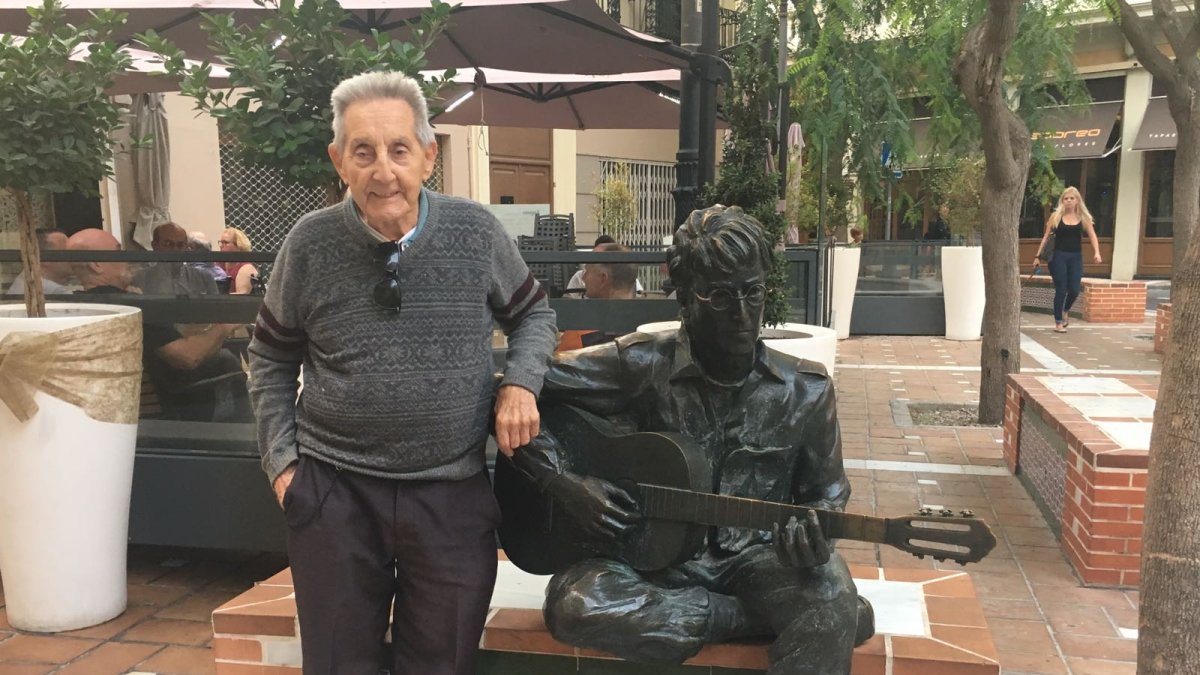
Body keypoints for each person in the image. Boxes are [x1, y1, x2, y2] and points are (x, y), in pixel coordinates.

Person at [247, 71, 557, 675]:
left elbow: (534, 315)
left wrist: (520, 382)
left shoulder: (475, 232)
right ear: (339, 161)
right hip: (335, 493)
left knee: (442, 663)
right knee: (338, 664)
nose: (383, 171)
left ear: (428, 156)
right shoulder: (308, 244)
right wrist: (283, 466)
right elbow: (270, 357)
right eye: (363, 152)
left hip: (451, 493)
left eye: (399, 150)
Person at [508, 205, 872, 675]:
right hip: (650, 568)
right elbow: (515, 389)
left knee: (828, 590)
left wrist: (817, 535)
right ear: (684, 298)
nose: (742, 314)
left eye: (753, 292)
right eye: (719, 297)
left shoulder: (808, 390)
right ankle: (752, 619)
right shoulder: (637, 365)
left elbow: (826, 495)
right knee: (576, 604)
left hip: (759, 563)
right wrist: (564, 483)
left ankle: (788, 612)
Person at [67, 228, 247, 421]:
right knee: (229, 362)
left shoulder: (76, 306)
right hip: (163, 412)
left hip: (107, 410)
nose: (126, 257)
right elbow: (188, 357)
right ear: (97, 265)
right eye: (117, 250)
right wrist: (226, 324)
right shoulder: (127, 308)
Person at [1033, 186, 1102, 333]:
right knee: (1061, 289)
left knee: (1075, 290)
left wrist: (1097, 252)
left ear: (1077, 201)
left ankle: (1065, 310)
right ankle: (1058, 322)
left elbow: (1092, 235)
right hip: (1058, 256)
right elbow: (1046, 237)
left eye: (1072, 198)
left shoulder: (1083, 218)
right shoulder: (1055, 217)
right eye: (1066, 198)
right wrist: (1037, 256)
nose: (1069, 201)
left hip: (1075, 257)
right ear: (1062, 201)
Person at [133, 222, 220, 297]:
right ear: (155, 246)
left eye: (180, 245)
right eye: (168, 244)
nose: (175, 249)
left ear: (186, 248)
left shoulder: (204, 278)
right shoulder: (141, 279)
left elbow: (216, 311)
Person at [5, 228, 76, 296]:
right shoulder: (56, 291)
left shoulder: (24, 278)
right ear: (44, 258)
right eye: (66, 252)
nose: (72, 257)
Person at [567, 234, 644, 295]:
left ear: (603, 278)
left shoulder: (625, 277)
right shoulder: (579, 276)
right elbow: (567, 298)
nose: (584, 277)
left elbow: (640, 294)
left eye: (589, 269)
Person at [218, 227, 260, 295]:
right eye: (221, 242)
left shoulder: (246, 267)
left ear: (238, 245)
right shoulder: (219, 263)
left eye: (225, 242)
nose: (221, 246)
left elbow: (241, 296)